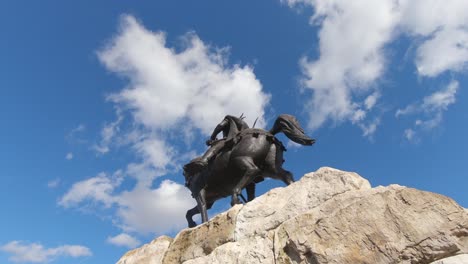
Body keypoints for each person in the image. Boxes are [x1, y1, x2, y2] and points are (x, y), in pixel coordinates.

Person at [184, 114, 249, 174]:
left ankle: (203, 161)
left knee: (216, 146)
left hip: (234, 139)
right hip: (245, 142)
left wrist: (212, 137)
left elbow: (220, 126)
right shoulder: (246, 126)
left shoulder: (229, 118)